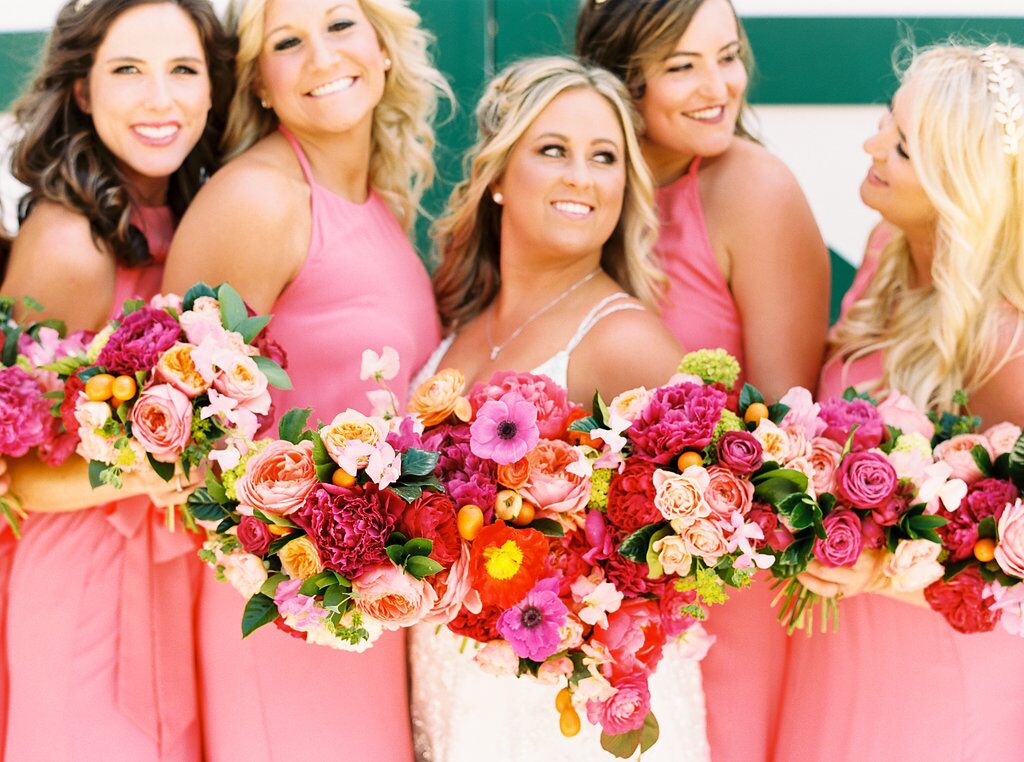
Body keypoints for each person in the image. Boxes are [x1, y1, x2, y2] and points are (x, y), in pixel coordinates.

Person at [160, 0, 449, 758]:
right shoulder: (259, 201)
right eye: (288, 41)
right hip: (284, 608)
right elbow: (180, 437)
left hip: (363, 604)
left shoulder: (373, 200)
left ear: (384, 49)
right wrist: (308, 571)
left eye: (341, 25)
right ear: (259, 82)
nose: (322, 56)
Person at [409, 55, 709, 762]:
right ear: (499, 180)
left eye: (604, 158)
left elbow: (693, 557)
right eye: (553, 151)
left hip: (562, 727)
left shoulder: (626, 341)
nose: (582, 176)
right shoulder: (460, 323)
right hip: (454, 704)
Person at [575, 3, 830, 758]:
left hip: (729, 585)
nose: (718, 85)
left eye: (727, 55)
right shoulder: (587, 189)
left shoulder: (751, 189)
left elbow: (791, 438)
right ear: (628, 79)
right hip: (603, 588)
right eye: (682, 65)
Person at [777, 43, 1024, 761]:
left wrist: (885, 570)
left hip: (941, 674)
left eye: (904, 147)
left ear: (960, 185)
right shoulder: (885, 257)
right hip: (836, 650)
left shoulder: (1002, 338)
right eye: (888, 119)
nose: (871, 144)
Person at [0, 0, 232, 759]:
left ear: (211, 90)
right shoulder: (69, 241)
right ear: (82, 90)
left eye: (182, 70)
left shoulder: (193, 217)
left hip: (175, 576)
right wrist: (156, 463)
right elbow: (13, 474)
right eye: (127, 70)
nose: (159, 98)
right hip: (84, 584)